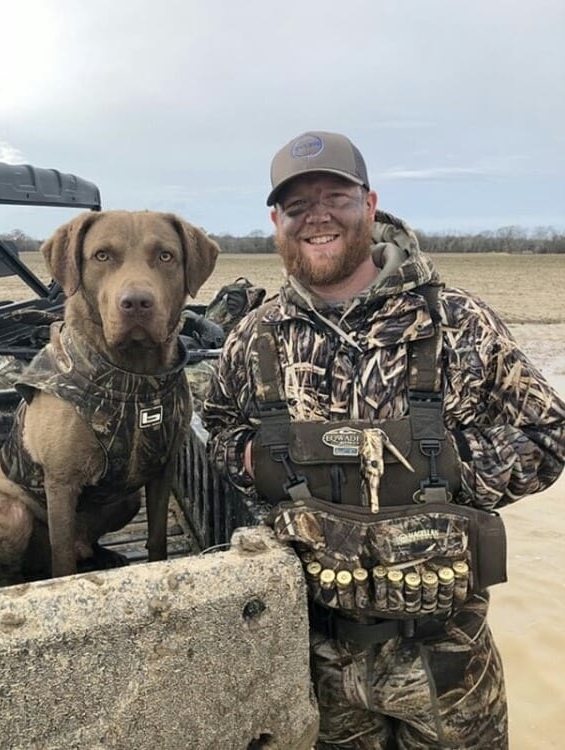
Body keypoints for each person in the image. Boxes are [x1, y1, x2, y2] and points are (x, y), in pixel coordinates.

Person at [203, 130, 565, 749]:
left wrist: (452, 469)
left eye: (335, 197)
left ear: (370, 205)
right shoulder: (253, 337)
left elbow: (551, 433)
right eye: (297, 205)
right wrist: (249, 458)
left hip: (449, 666)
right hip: (316, 662)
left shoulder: (456, 321)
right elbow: (215, 427)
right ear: (275, 220)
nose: (316, 216)